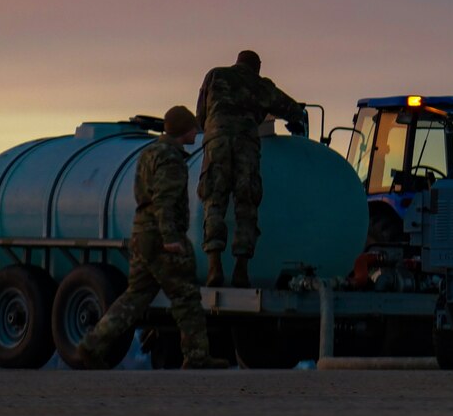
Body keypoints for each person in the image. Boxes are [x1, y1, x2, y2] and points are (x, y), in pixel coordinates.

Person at [74, 105, 226, 369]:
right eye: (192, 128)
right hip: (160, 237)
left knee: (135, 296)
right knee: (186, 297)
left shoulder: (149, 153)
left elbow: (142, 194)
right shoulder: (171, 159)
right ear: (183, 130)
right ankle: (197, 356)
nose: (195, 132)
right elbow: (164, 201)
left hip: (142, 232)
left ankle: (91, 344)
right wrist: (170, 238)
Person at [195, 49, 306, 287]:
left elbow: (200, 114)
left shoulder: (215, 75)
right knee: (246, 203)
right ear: (257, 67)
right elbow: (291, 108)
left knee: (214, 200)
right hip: (246, 144)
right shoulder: (260, 84)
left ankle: (214, 265)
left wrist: (213, 129)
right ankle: (241, 269)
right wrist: (296, 118)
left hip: (217, 142)